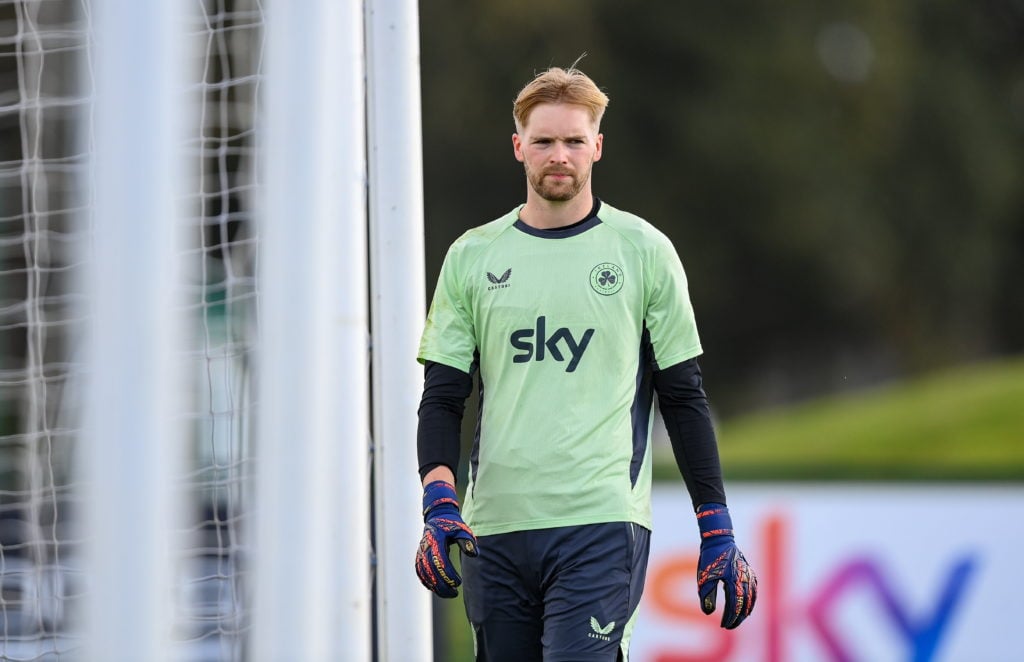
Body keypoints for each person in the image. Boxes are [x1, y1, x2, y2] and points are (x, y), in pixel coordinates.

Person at [414, 63, 757, 661]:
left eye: (574, 140)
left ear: (597, 146)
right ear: (519, 146)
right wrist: (439, 502)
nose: (559, 155)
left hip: (599, 523)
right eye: (544, 141)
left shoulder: (643, 251)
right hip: (493, 527)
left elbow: (683, 397)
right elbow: (442, 396)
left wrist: (717, 526)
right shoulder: (471, 257)